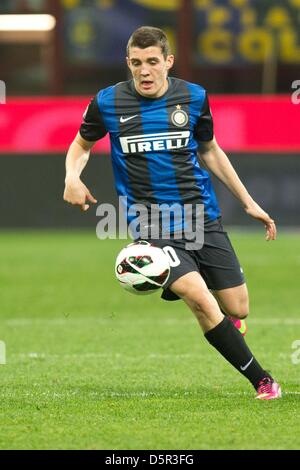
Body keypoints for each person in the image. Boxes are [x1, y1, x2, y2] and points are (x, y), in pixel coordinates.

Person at [63, 26, 281, 400]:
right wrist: (71, 176)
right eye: (135, 63)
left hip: (201, 218)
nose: (144, 71)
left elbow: (210, 150)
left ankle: (201, 300)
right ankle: (263, 381)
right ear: (128, 63)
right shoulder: (108, 102)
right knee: (199, 299)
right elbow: (81, 145)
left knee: (237, 308)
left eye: (151, 62)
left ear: (168, 61)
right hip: (150, 224)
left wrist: (248, 202)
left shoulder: (194, 98)